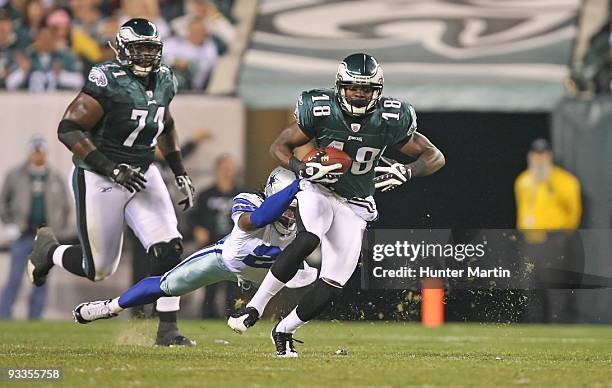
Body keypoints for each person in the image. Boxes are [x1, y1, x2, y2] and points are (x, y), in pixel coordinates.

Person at [228, 53, 445, 357]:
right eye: (353, 87)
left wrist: (408, 171)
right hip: (319, 187)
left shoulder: (391, 118)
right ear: (339, 87)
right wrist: (300, 167)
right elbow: (279, 146)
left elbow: (434, 156)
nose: (359, 93)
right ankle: (254, 308)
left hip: (356, 202)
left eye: (366, 89)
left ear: (377, 91)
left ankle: (284, 330)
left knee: (334, 280)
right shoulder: (320, 109)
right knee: (309, 237)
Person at [26, 18, 197, 346]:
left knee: (170, 248)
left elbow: (166, 123)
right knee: (99, 268)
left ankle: (168, 330)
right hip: (100, 175)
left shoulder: (165, 80)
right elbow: (68, 129)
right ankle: (49, 251)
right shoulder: (106, 80)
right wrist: (111, 168)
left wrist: (179, 170)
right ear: (120, 50)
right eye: (139, 48)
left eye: (152, 48)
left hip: (144, 172)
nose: (147, 55)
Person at [71, 167, 317, 323]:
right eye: (288, 206)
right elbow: (256, 220)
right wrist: (295, 187)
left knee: (324, 278)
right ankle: (110, 307)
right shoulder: (249, 200)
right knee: (167, 284)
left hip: (267, 272)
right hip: (225, 261)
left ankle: (285, 333)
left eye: (295, 208)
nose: (291, 214)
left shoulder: (304, 211)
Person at [0, 136, 72, 319]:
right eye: (35, 151)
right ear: (29, 152)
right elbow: (4, 202)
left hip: (44, 236)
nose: (37, 155)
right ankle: (4, 315)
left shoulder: (54, 177)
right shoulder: (15, 175)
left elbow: (65, 206)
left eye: (40, 151)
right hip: (23, 234)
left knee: (41, 279)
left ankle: (35, 317)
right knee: (15, 278)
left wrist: (60, 230)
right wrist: (9, 224)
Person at [514, 138, 583, 322]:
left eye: (543, 155)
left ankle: (558, 327)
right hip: (529, 241)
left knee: (555, 288)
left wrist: (561, 235)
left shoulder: (565, 181)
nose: (539, 159)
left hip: (553, 240)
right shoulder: (523, 180)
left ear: (549, 156)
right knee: (530, 287)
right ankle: (534, 328)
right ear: (530, 156)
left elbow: (574, 212)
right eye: (536, 155)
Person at [189, 154, 241, 318]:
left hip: (235, 247)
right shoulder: (206, 195)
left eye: (230, 169)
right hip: (212, 246)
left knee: (234, 286)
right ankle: (207, 315)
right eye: (224, 168)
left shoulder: (242, 194)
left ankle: (233, 317)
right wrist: (197, 229)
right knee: (211, 285)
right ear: (217, 170)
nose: (227, 172)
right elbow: (192, 217)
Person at [5, 22, 84, 91]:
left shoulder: (65, 57)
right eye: (42, 38)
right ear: (36, 39)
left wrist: (61, 75)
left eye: (48, 38)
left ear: (54, 39)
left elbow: (79, 81)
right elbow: (9, 84)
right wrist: (23, 71)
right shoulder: (27, 56)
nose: (45, 42)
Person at [163, 15, 218, 90]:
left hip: (192, 88)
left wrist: (187, 64)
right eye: (193, 30)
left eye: (199, 31)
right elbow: (158, 56)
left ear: (205, 33)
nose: (196, 34)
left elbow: (204, 68)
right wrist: (173, 61)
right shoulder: (174, 42)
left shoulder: (209, 48)